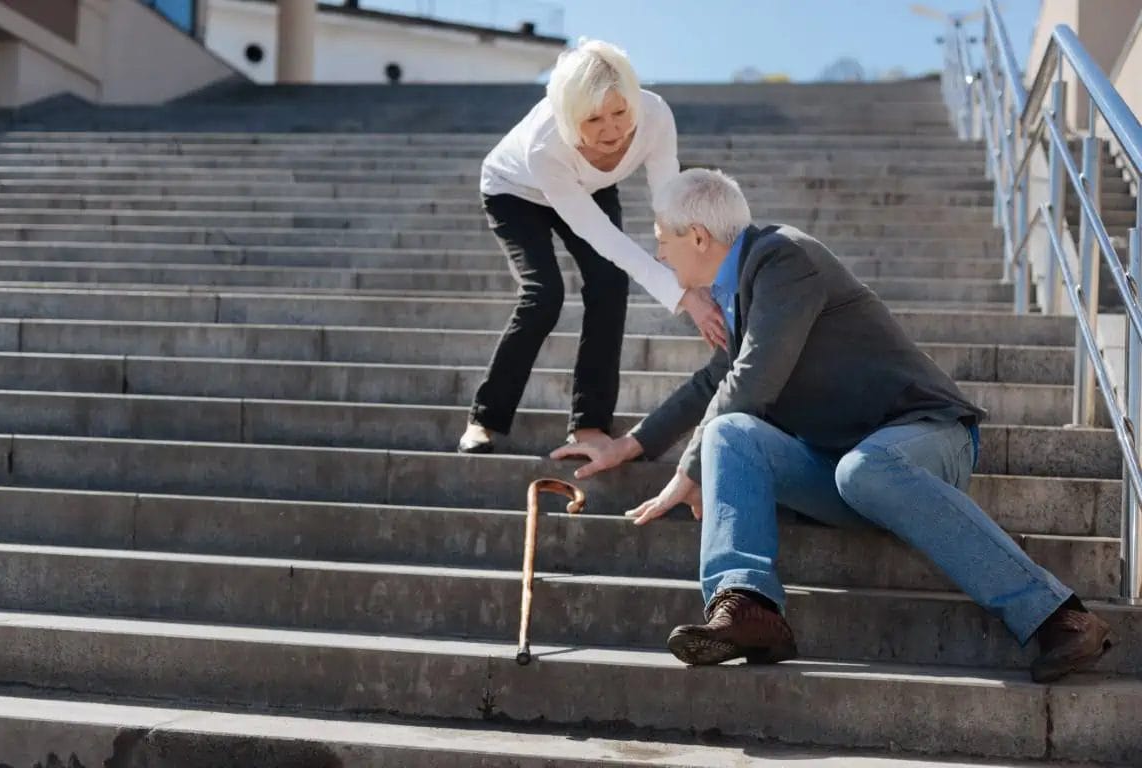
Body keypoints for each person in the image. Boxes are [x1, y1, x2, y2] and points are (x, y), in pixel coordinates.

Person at [551, 168, 1114, 684]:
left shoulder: (783, 258)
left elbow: (752, 376)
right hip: (843, 468)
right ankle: (749, 607)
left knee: (861, 468)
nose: (661, 253)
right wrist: (631, 444)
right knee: (732, 434)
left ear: (698, 237)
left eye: (664, 241)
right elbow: (715, 383)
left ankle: (1057, 615)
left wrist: (688, 469)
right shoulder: (744, 294)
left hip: (925, 437)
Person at [458, 39, 726, 455]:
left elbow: (668, 210)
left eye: (620, 112)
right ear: (569, 117)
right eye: (594, 119)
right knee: (543, 294)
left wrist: (696, 281)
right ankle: (485, 418)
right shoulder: (546, 144)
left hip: (591, 187)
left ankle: (590, 426)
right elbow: (604, 238)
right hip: (514, 191)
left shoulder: (654, 115)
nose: (613, 130)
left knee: (609, 285)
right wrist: (680, 297)